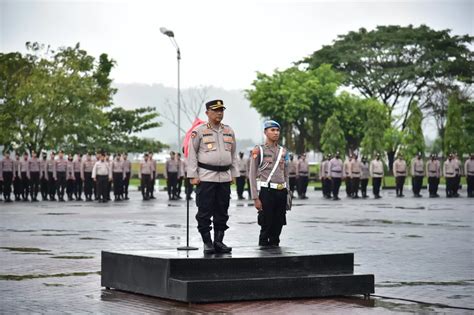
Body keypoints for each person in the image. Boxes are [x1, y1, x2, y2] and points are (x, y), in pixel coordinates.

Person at [187, 99, 238, 254]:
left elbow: (233, 154)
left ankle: (218, 241)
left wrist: (234, 174)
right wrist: (193, 175)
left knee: (222, 210)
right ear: (207, 113)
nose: (219, 113)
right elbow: (192, 154)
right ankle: (207, 242)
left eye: (221, 110)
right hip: (206, 177)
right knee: (204, 211)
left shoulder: (229, 130)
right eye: (215, 110)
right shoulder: (200, 131)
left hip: (224, 177)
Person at [249, 120, 289, 247]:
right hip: (267, 192)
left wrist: (288, 193)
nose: (276, 133)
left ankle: (275, 249)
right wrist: (255, 197)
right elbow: (252, 174)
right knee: (266, 224)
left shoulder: (283, 151)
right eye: (272, 130)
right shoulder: (259, 150)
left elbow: (286, 174)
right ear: (265, 132)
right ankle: (263, 254)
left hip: (281, 191)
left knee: (278, 224)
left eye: (277, 130)